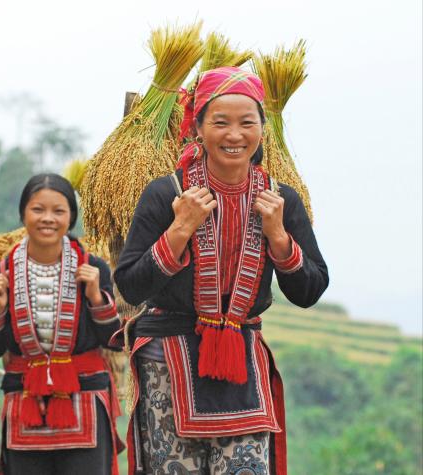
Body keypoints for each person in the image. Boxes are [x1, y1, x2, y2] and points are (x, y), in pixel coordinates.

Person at [114, 66, 329, 475]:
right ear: (197, 128)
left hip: (243, 365)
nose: (234, 135)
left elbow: (310, 290)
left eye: (247, 122)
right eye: (220, 122)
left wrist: (279, 238)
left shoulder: (280, 200)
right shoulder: (167, 194)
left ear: (263, 130)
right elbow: (129, 285)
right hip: (169, 361)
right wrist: (180, 228)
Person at [0, 173, 124, 475]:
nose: (48, 219)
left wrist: (95, 297)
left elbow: (114, 340)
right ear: (23, 214)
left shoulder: (93, 269)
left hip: (85, 398)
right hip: (25, 403)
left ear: (71, 217)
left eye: (58, 211)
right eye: (38, 210)